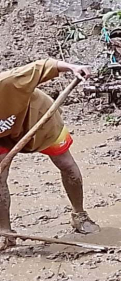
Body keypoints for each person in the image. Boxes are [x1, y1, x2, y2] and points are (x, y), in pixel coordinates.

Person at [0, 59, 98, 251]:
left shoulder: (7, 82)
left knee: (67, 166)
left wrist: (73, 68)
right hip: (3, 136)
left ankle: (79, 215)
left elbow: (42, 66)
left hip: (39, 119)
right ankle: (5, 232)